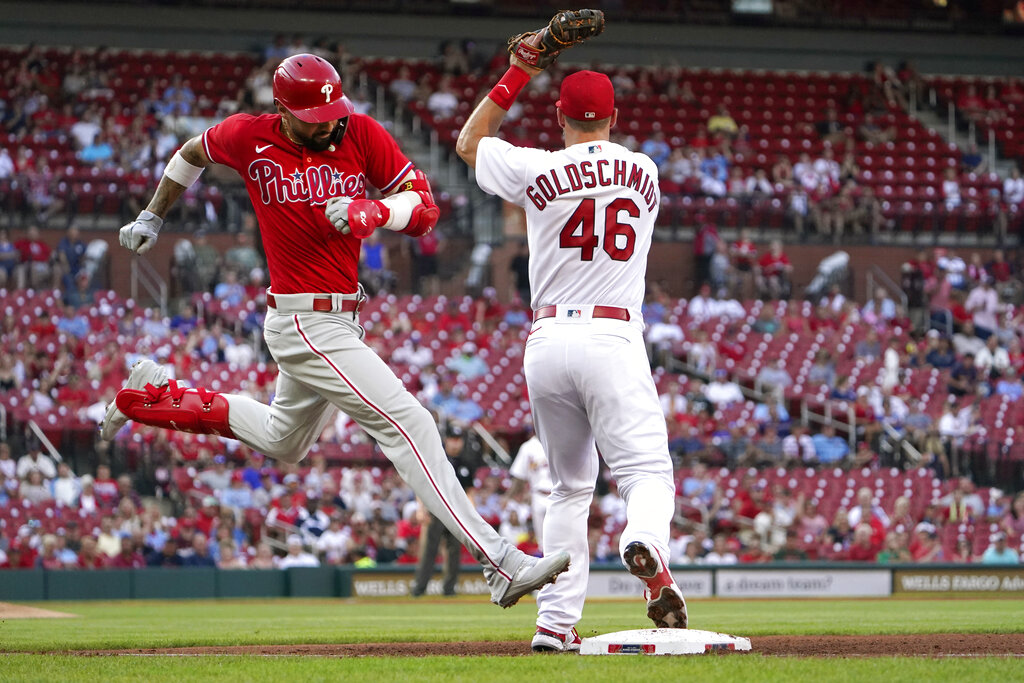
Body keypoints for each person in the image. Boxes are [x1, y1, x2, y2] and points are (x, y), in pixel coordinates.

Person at [103, 53, 568, 607]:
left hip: (340, 315)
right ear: (281, 108)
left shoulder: (360, 133)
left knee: (284, 439)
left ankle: (147, 397)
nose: (327, 121)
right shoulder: (247, 136)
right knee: (412, 424)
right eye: (313, 114)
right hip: (303, 318)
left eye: (332, 109)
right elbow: (189, 154)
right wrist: (154, 213)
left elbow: (424, 209)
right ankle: (501, 564)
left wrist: (375, 212)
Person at [456, 48, 687, 653]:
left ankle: (554, 624)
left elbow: (468, 144)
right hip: (612, 334)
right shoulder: (645, 170)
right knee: (645, 474)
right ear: (614, 117)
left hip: (547, 338)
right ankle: (646, 544)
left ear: (559, 117)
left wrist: (520, 69)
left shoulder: (537, 168)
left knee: (566, 488)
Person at [410, 425, 472, 597]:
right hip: (435, 509)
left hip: (456, 512)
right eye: (452, 439)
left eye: (458, 439)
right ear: (446, 440)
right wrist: (420, 508)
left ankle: (449, 589)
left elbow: (469, 492)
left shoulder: (465, 463)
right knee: (429, 551)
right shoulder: (437, 460)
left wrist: (471, 514)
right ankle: (419, 588)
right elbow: (422, 484)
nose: (455, 443)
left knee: (454, 552)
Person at [508, 427, 552, 546]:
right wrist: (508, 497)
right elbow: (519, 476)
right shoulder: (528, 447)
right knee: (542, 542)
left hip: (559, 495)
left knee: (561, 539)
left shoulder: (558, 441)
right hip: (538, 495)